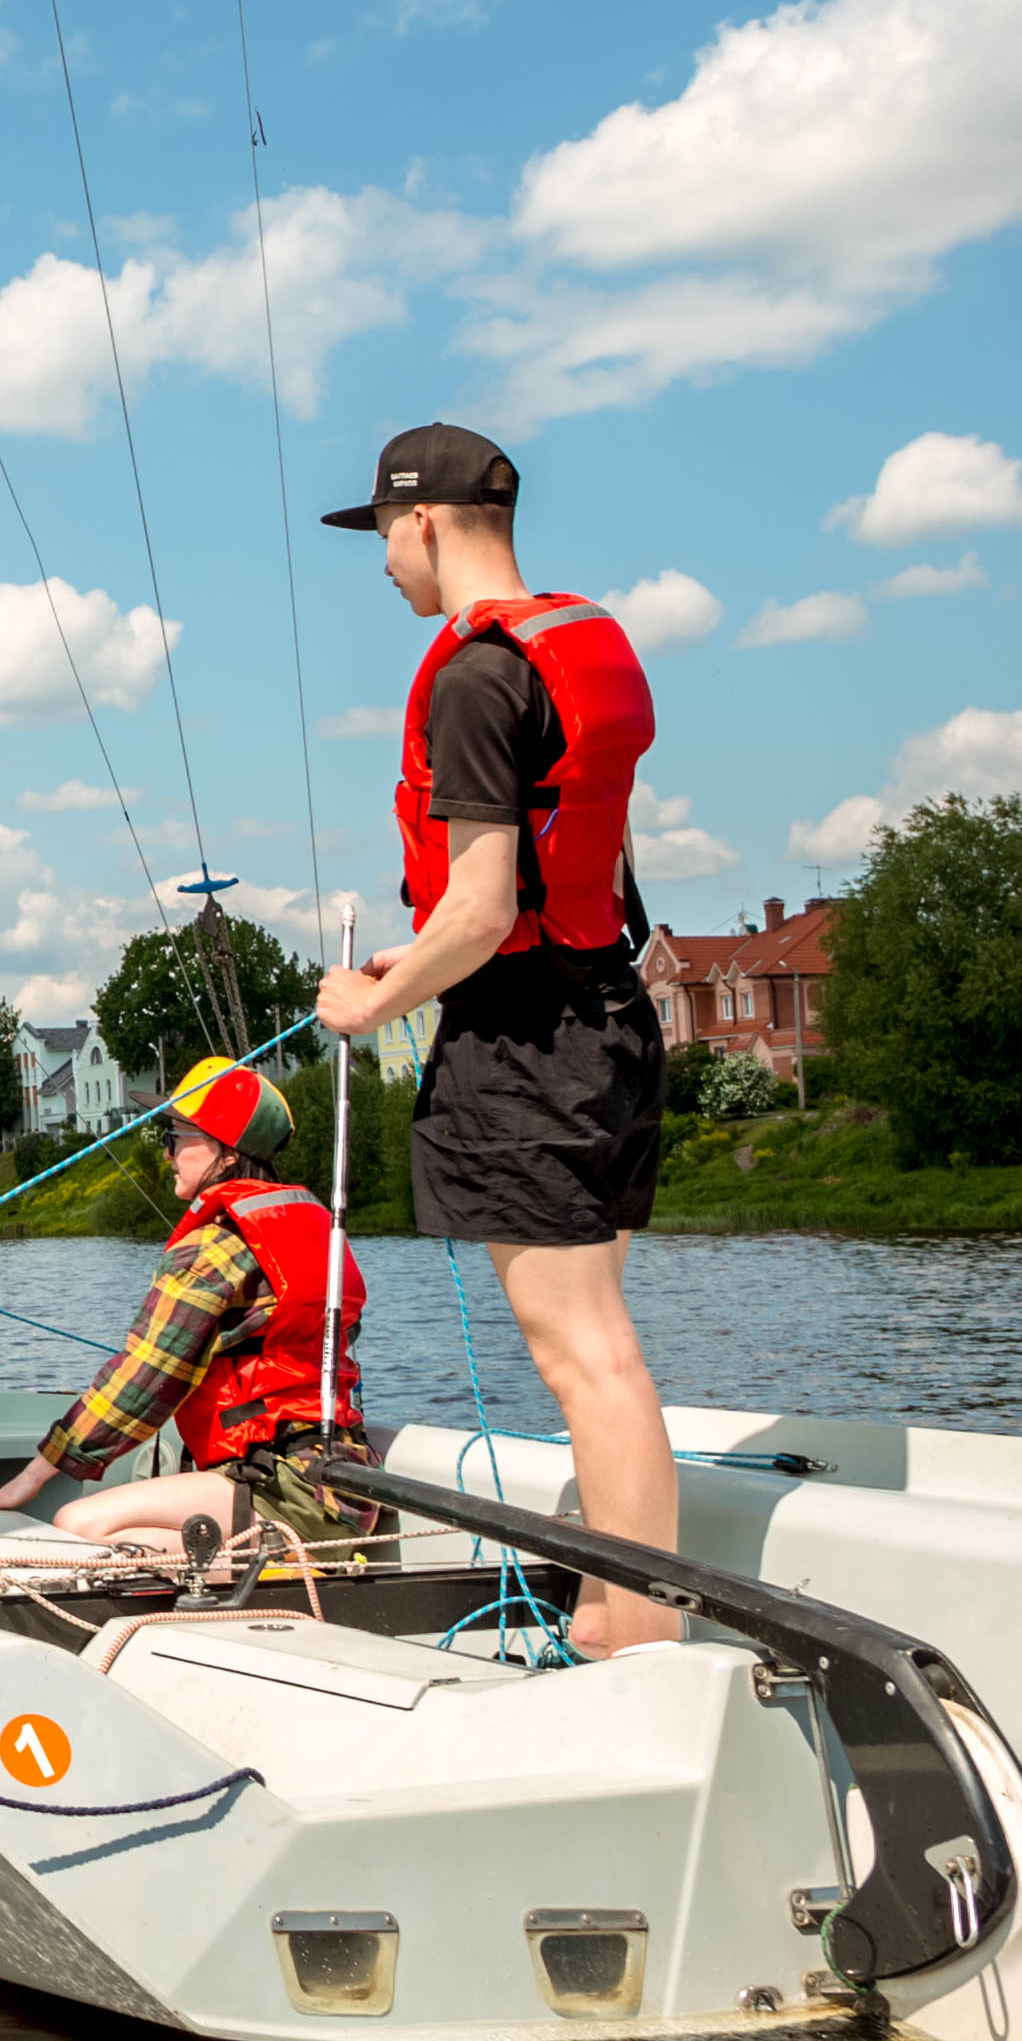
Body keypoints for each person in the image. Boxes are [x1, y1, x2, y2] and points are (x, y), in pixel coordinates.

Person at [311, 420, 684, 1651]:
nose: (382, 566)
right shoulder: (584, 643)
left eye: (381, 536)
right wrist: (420, 958)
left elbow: (479, 908)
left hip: (528, 1041)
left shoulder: (476, 675)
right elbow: (579, 861)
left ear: (424, 521)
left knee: (584, 1353)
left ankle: (637, 1630)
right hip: (611, 1013)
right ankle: (617, 1608)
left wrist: (375, 1000)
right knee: (602, 1335)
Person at [0, 1058, 375, 1559]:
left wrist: (29, 1479)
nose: (168, 1154)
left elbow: (144, 1378)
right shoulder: (312, 1232)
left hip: (285, 1490)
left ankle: (277, 1553)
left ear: (224, 1149)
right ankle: (266, 1554)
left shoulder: (214, 1250)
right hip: (341, 1484)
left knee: (78, 1523)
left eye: (175, 1137)